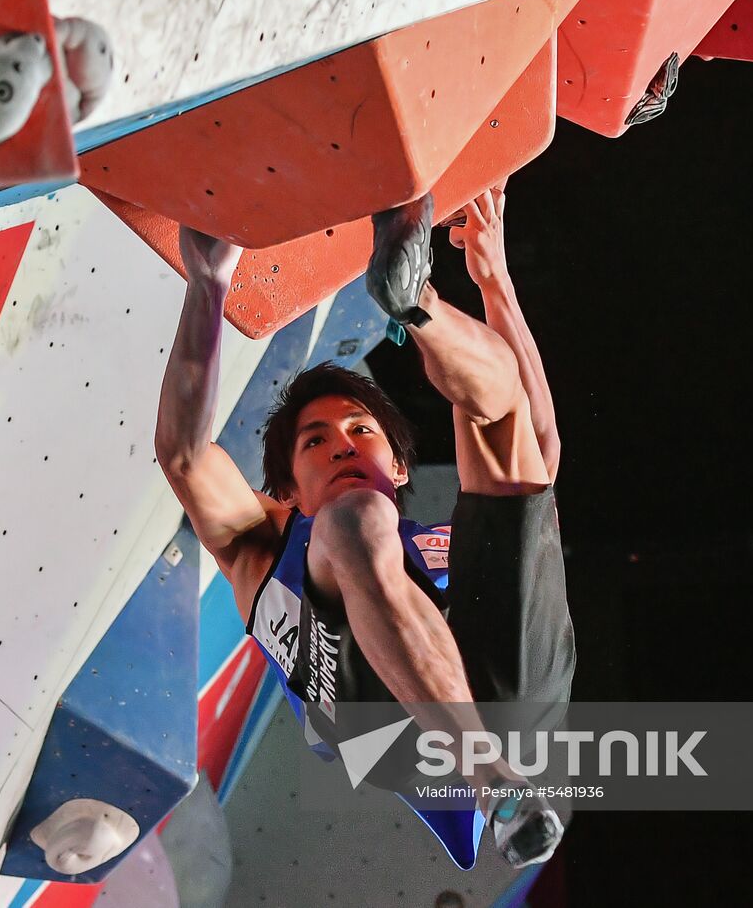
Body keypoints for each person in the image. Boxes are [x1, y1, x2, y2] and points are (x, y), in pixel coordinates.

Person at [154, 188, 574, 868]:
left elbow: (531, 432)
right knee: (351, 527)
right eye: (315, 441)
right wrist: (206, 284)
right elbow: (184, 456)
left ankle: (415, 297)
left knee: (508, 429)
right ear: (286, 490)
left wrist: (494, 277)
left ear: (401, 465)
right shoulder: (262, 551)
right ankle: (487, 774)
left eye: (360, 430)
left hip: (512, 707)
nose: (343, 444)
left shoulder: (441, 543)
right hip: (380, 724)